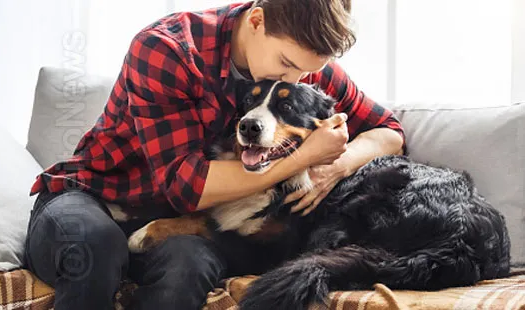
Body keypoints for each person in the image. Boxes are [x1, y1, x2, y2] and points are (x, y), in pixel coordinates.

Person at [23, 0, 406, 309]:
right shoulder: (167, 48)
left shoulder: (302, 67)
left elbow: (388, 131)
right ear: (256, 20)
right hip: (95, 197)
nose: (293, 80)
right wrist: (303, 158)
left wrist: (336, 165)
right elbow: (185, 187)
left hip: (175, 220)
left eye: (308, 73)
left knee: (188, 265)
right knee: (96, 247)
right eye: (287, 64)